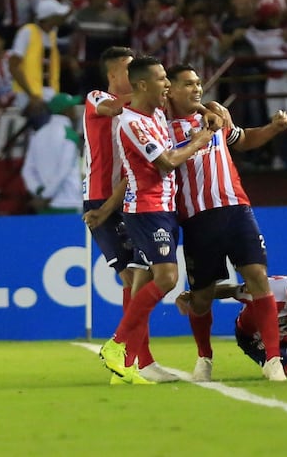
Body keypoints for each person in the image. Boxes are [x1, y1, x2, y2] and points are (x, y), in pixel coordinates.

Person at [165, 63, 287, 382]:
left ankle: (273, 359)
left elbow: (244, 139)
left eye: (198, 83)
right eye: (189, 84)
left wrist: (273, 128)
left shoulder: (217, 115)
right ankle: (204, 358)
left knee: (257, 277)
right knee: (202, 296)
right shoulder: (160, 126)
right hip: (196, 218)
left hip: (237, 209)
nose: (197, 89)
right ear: (170, 89)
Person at [98, 56, 214, 385]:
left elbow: (185, 115)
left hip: (163, 208)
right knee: (166, 278)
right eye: (162, 79)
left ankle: (129, 365)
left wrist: (207, 110)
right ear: (142, 85)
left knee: (142, 283)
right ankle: (117, 345)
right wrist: (198, 141)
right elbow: (166, 161)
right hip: (147, 210)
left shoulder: (157, 114)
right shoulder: (131, 122)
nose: (167, 84)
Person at [82, 46, 178, 384]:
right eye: (128, 68)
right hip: (99, 197)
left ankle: (137, 360)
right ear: (113, 75)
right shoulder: (98, 97)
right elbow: (109, 108)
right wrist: (143, 98)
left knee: (141, 277)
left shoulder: (146, 115)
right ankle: (129, 356)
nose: (133, 70)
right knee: (131, 279)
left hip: (131, 195)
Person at [177, 274, 287, 380]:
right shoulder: (270, 291)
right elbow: (232, 290)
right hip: (254, 337)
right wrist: (192, 295)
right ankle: (272, 358)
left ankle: (285, 352)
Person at [9, 0, 70, 128]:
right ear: (49, 18)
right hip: (29, 94)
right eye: (58, 15)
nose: (62, 18)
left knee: (69, 114)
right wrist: (31, 95)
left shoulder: (51, 33)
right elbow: (13, 66)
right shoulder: (27, 32)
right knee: (44, 124)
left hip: (49, 92)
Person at [21, 92, 83, 214]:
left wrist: (38, 190)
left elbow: (27, 170)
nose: (75, 111)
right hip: (68, 201)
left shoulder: (37, 134)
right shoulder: (69, 135)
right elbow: (63, 170)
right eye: (72, 107)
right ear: (66, 111)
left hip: (45, 205)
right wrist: (46, 195)